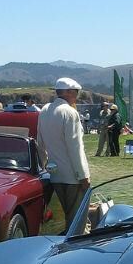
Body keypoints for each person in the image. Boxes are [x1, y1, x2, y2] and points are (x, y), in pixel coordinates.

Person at [37, 77, 90, 231]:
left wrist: (44, 166)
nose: (77, 96)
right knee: (77, 220)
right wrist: (83, 175)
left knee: (63, 217)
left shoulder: (45, 110)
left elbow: (40, 143)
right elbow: (75, 147)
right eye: (75, 92)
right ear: (68, 92)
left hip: (54, 173)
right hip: (73, 175)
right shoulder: (69, 112)